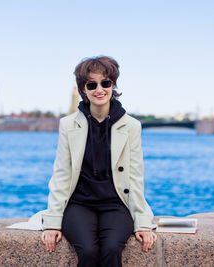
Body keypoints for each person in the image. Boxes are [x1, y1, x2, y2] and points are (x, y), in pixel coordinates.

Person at [41, 56, 156, 267]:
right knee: (88, 250)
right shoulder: (68, 125)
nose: (99, 89)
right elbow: (61, 174)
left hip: (116, 204)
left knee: (112, 248)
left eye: (106, 83)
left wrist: (142, 223)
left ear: (113, 85)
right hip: (79, 204)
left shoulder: (131, 126)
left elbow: (135, 177)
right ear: (83, 90)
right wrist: (52, 223)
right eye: (92, 84)